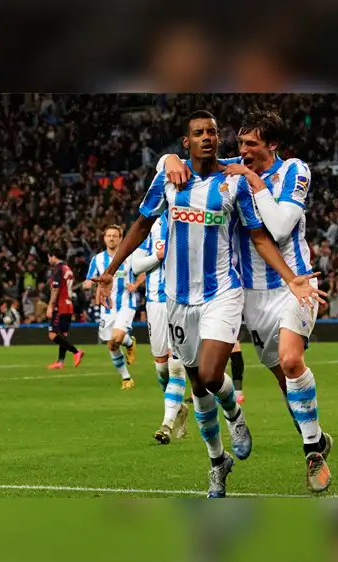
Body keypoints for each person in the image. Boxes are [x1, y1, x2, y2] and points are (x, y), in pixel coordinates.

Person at [95, 110, 324, 498]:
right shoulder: (170, 176)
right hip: (177, 298)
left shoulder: (234, 179)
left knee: (213, 374)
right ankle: (218, 462)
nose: (208, 138)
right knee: (198, 384)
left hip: (224, 292)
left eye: (213, 133)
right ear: (186, 142)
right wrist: (109, 271)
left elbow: (260, 236)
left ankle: (239, 416)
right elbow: (141, 223)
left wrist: (291, 278)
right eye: (198, 133)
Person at [160, 109, 335, 493]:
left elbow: (279, 227)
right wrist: (170, 158)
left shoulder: (293, 171)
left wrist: (254, 180)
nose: (243, 151)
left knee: (292, 361)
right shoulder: (233, 169)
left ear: (271, 144)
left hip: (294, 284)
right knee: (283, 380)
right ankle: (317, 437)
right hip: (251, 297)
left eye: (251, 144)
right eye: (239, 144)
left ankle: (312, 450)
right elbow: (185, 162)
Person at [131, 215, 189, 444]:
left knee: (176, 366)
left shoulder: (190, 218)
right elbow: (136, 266)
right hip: (156, 303)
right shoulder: (151, 223)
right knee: (162, 370)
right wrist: (158, 256)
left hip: (183, 302)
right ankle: (179, 408)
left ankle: (167, 424)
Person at [83, 225, 139, 389]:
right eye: (108, 235)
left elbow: (143, 272)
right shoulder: (98, 259)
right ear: (104, 238)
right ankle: (126, 378)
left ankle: (127, 342)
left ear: (121, 238)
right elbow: (89, 279)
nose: (111, 238)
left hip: (126, 304)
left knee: (118, 337)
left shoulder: (129, 257)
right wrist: (87, 285)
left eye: (115, 235)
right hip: (106, 308)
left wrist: (135, 284)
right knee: (111, 344)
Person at [45, 252, 85, 369]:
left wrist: (50, 306)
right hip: (68, 305)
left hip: (60, 306)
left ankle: (76, 351)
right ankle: (60, 361)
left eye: (49, 257)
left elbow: (55, 290)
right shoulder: (67, 268)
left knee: (52, 335)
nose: (48, 261)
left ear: (53, 256)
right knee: (62, 335)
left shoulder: (58, 269)